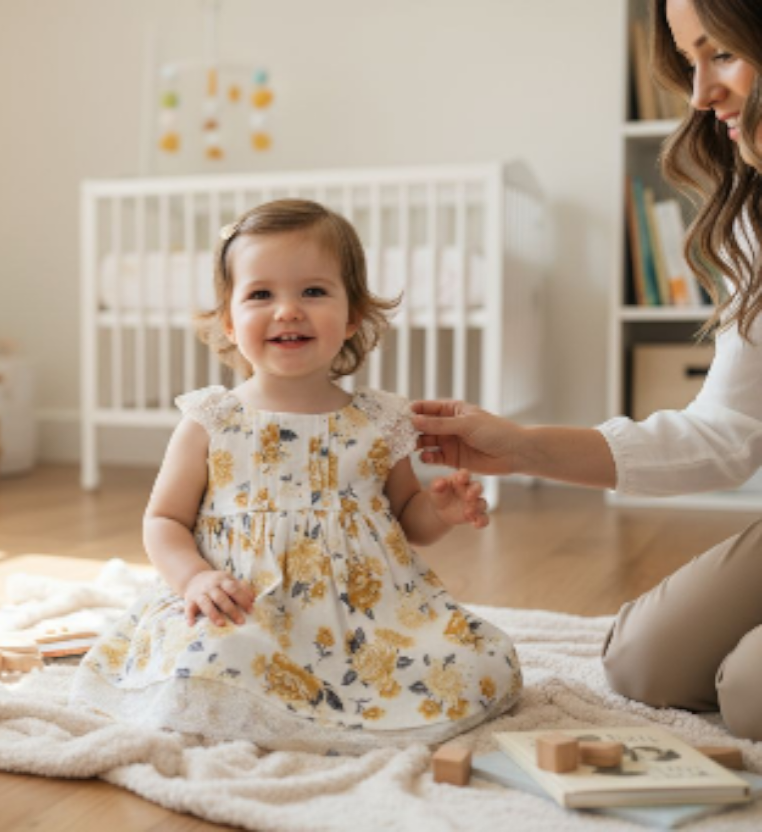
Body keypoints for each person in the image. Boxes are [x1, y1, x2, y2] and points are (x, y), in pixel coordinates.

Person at [412, 0, 762, 742]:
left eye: (721, 54)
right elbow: (730, 430)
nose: (700, 95)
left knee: (750, 694)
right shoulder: (751, 224)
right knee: (645, 664)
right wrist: (520, 446)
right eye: (689, 64)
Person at [69, 199, 522, 753]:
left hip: (369, 618)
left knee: (475, 659)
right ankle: (252, 706)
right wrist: (193, 579)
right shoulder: (213, 419)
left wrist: (441, 510)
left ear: (353, 314)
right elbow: (164, 519)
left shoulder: (378, 421)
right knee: (211, 659)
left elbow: (408, 520)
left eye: (313, 291)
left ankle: (336, 711)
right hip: (245, 603)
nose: (287, 311)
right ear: (231, 322)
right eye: (261, 294)